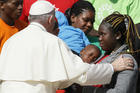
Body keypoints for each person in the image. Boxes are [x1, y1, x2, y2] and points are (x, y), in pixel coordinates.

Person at [0, 1, 134, 93]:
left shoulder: (11, 41)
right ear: (50, 20)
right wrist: (112, 67)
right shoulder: (52, 41)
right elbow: (82, 74)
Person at [82, 12, 138, 93]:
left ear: (117, 35)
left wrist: (86, 90)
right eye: (99, 35)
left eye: (103, 34)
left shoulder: (126, 60)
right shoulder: (106, 54)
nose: (99, 39)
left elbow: (121, 91)